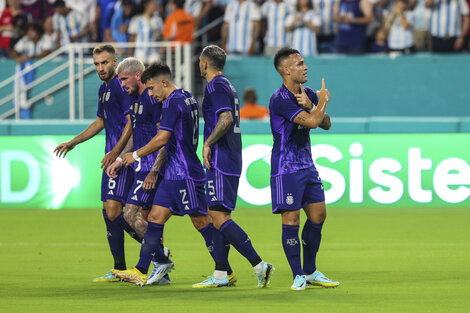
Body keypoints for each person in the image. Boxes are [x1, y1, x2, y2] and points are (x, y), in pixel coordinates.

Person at [112, 62, 236, 287]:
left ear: (164, 82)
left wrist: (135, 155)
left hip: (185, 171)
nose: (150, 94)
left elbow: (162, 138)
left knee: (202, 222)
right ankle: (141, 270)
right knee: (154, 219)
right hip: (172, 173)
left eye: (151, 88)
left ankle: (225, 271)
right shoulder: (186, 96)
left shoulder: (172, 102)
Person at [54, 44, 141, 282]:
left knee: (116, 211)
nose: (100, 68)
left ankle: (157, 253)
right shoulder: (104, 89)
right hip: (112, 157)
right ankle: (120, 268)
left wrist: (117, 153)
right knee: (110, 212)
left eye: (104, 63)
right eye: (96, 64)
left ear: (115, 62)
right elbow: (100, 121)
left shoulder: (121, 86)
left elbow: (130, 122)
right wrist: (74, 142)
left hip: (123, 157)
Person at [192, 45, 273, 288]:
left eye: (200, 61)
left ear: (205, 63)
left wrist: (207, 143)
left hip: (220, 158)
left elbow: (225, 118)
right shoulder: (228, 85)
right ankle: (220, 274)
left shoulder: (215, 85)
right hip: (230, 158)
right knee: (217, 215)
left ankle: (259, 265)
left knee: (218, 216)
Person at [269, 47, 340, 291]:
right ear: (286, 70)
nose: (305, 67)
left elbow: (326, 123)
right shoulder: (280, 99)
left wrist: (313, 103)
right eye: (299, 64)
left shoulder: (307, 93)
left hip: (307, 165)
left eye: (304, 63)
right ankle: (297, 275)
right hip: (286, 167)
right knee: (292, 218)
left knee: (319, 215)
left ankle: (310, 271)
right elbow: (312, 122)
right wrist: (321, 103)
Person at [105, 57, 172, 286]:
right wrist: (121, 161)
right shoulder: (136, 102)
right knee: (142, 218)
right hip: (139, 167)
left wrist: (154, 170)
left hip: (151, 168)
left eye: (124, 79)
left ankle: (161, 258)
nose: (121, 85)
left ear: (136, 75)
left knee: (130, 215)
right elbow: (135, 135)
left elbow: (163, 137)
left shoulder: (152, 99)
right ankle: (161, 268)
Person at [10, 22, 52, 119]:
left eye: (32, 31)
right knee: (23, 68)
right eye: (28, 31)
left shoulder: (44, 38)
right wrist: (19, 57)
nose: (30, 33)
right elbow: (13, 52)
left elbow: (48, 52)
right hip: (26, 71)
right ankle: (21, 98)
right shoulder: (24, 40)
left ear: (37, 31)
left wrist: (31, 57)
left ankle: (23, 96)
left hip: (39, 69)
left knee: (28, 64)